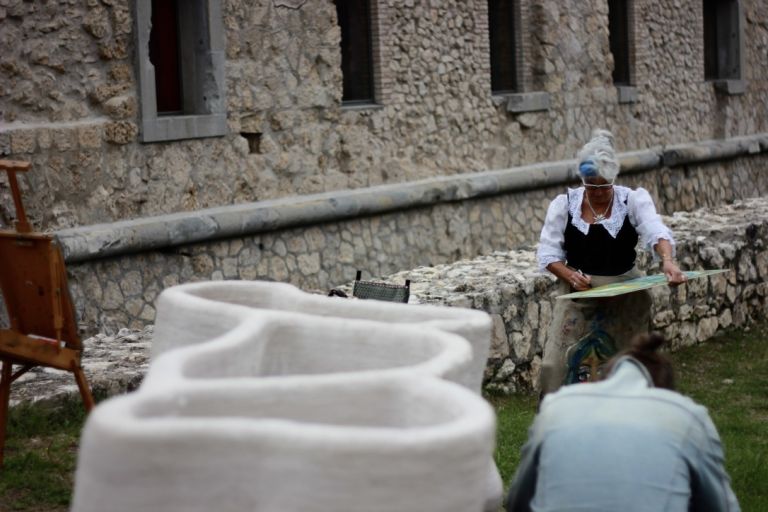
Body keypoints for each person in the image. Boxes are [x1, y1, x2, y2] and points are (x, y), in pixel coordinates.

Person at [505, 332, 741, 512]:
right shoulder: (686, 417)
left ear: (605, 377)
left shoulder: (555, 407)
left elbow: (517, 501)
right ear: (662, 391)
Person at [537, 128, 686, 394]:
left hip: (625, 296)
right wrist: (570, 275)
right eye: (590, 185)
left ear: (613, 178)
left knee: (627, 366)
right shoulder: (564, 204)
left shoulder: (632, 200)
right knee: (554, 365)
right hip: (579, 294)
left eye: (603, 185)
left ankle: (630, 421)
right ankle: (554, 421)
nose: (597, 192)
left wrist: (668, 261)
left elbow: (655, 229)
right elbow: (548, 254)